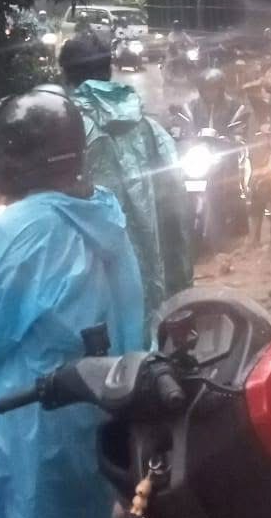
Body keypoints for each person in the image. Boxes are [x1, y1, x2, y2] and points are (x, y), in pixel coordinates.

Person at [0, 87, 143, 518]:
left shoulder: (7, 233)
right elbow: (132, 316)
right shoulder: (104, 214)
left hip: (30, 417)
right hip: (96, 406)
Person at [59, 30, 192, 335]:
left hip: (92, 271)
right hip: (150, 263)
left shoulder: (62, 126)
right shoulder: (145, 123)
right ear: (108, 70)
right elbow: (176, 199)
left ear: (66, 76)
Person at [186, 67, 248, 140]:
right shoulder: (192, 107)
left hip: (225, 148)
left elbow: (239, 132)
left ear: (221, 89)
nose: (209, 92)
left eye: (213, 88)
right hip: (197, 148)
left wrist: (233, 138)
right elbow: (186, 129)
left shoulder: (234, 108)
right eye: (206, 89)